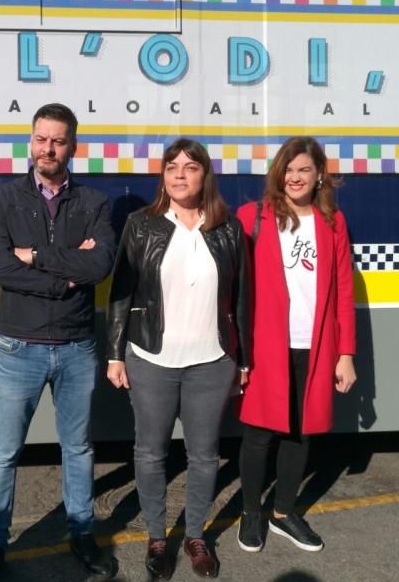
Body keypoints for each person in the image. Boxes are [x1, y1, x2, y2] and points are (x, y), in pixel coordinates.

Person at [0, 103, 118, 581]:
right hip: (20, 347)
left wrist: (32, 255)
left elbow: (99, 267)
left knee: (77, 449)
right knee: (4, 451)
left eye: (58, 140)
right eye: (41, 138)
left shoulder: (94, 202)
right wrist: (61, 275)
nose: (48, 149)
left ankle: (81, 533)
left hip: (77, 347)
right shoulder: (4, 198)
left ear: (73, 146)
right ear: (30, 142)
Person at [106, 138, 249, 579]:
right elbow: (121, 292)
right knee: (150, 453)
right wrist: (115, 353)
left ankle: (196, 536)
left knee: (204, 455)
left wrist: (242, 357)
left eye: (190, 167)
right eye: (172, 167)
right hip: (151, 356)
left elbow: (242, 296)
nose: (180, 175)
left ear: (205, 174)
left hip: (212, 359)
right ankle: (156, 536)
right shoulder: (141, 225)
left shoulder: (227, 228)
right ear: (163, 176)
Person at [235, 136, 357, 554]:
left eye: (304, 169)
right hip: (266, 343)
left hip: (316, 343)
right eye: (288, 169)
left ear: (319, 174)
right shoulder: (253, 216)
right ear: (278, 173)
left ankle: (284, 512)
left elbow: (343, 291)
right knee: (258, 432)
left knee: (301, 433)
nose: (295, 177)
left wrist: (345, 354)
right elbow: (234, 289)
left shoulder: (334, 222)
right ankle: (252, 512)